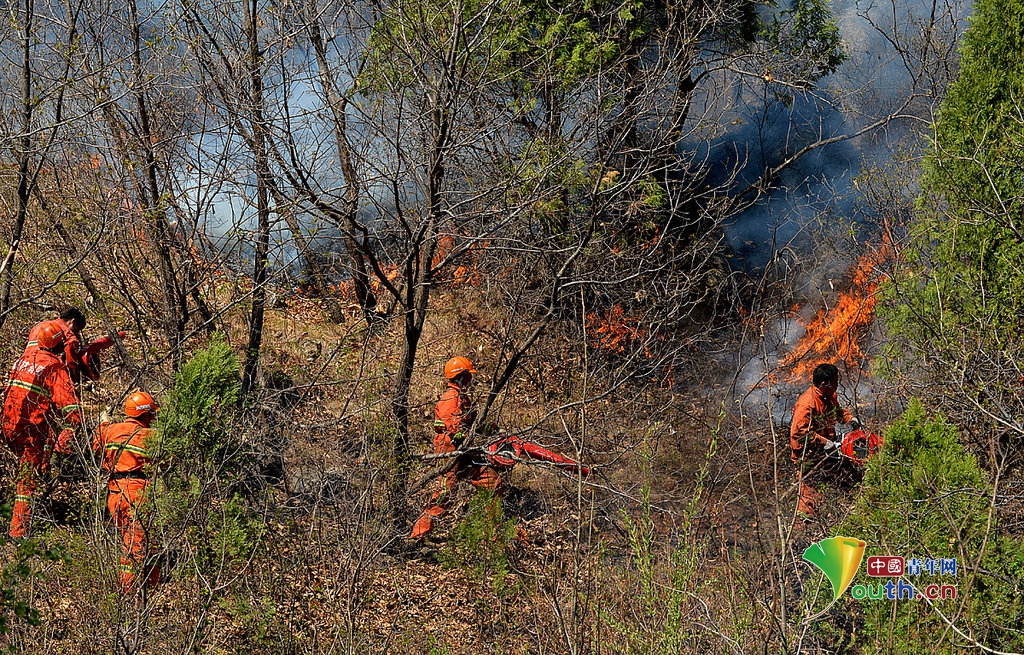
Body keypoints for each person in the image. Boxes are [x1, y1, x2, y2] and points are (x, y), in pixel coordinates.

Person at [2, 321, 83, 538]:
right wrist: (63, 444)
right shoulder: (54, 367)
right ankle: (18, 534)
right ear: (59, 345)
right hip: (30, 431)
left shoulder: (25, 358)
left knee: (33, 466)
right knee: (26, 483)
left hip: (9, 424)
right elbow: (73, 412)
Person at [410, 356, 502, 540]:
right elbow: (455, 428)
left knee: (492, 482)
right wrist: (470, 439)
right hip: (449, 452)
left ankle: (491, 534)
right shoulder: (451, 399)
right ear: (461, 376)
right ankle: (418, 536)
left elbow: (474, 423)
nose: (471, 379)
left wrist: (492, 430)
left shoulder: (462, 398)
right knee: (445, 495)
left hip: (464, 453)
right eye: (468, 375)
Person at [94, 391, 161, 594]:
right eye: (150, 414)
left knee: (141, 541)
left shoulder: (110, 431)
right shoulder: (151, 437)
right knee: (135, 545)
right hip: (136, 493)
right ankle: (129, 594)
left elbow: (97, 444)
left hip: (114, 493)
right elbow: (166, 461)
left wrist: (103, 423)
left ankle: (153, 585)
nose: (152, 418)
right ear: (144, 414)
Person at [789, 363, 859, 518]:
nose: (837, 385)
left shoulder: (829, 396)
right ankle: (802, 533)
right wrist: (825, 443)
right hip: (809, 457)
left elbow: (838, 412)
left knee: (851, 478)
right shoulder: (807, 403)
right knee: (810, 498)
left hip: (827, 453)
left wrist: (850, 419)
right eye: (834, 382)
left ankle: (853, 514)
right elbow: (800, 433)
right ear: (823, 384)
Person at [26, 308, 86, 377]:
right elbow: (71, 364)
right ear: (73, 322)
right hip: (44, 372)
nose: (76, 333)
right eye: (77, 330)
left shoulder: (40, 325)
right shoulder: (69, 335)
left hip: (23, 367)